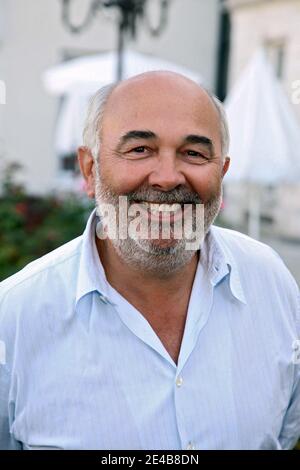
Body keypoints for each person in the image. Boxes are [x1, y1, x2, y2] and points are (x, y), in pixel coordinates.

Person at [0, 71, 299, 450]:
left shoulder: (269, 282)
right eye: (140, 149)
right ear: (90, 170)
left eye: (194, 153)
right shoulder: (13, 318)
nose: (168, 178)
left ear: (221, 173)